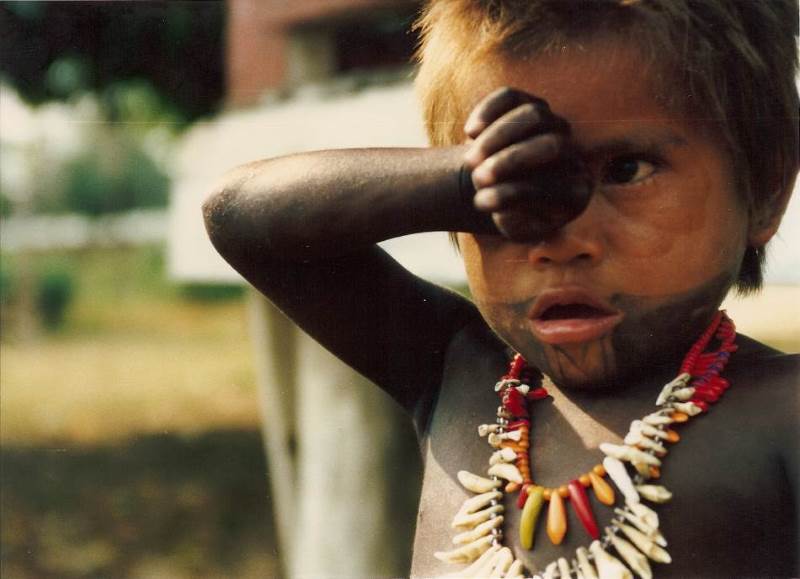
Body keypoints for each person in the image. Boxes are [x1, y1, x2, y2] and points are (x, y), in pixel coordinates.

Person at [203, 0, 799, 576]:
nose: (560, 237)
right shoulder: (454, 376)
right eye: (517, 188)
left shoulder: (782, 412)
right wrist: (461, 181)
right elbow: (240, 217)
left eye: (625, 170)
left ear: (767, 188)